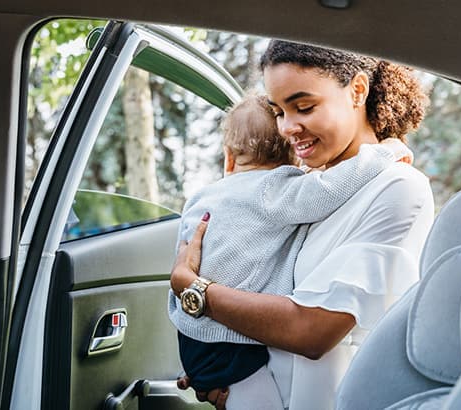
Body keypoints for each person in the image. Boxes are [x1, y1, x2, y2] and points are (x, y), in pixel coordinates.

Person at [171, 40, 434, 410]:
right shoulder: (298, 184)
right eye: (279, 111)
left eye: (304, 107)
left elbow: (310, 332)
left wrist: (194, 291)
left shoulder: (397, 187)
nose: (287, 128)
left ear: (357, 91)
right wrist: (214, 365)